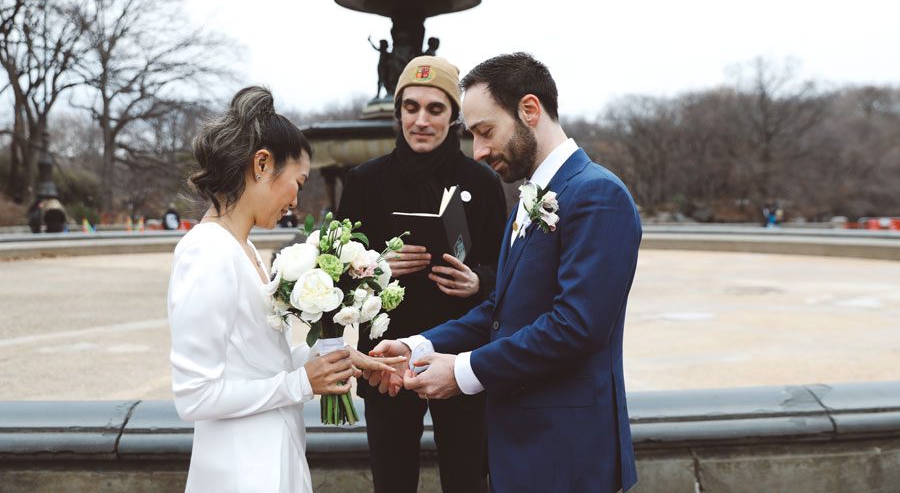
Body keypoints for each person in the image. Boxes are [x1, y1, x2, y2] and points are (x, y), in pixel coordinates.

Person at [368, 53, 642, 492]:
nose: (477, 151)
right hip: (518, 449)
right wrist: (417, 345)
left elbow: (576, 327)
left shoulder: (598, 194)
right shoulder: (528, 200)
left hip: (567, 455)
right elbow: (500, 310)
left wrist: (462, 371)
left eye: (485, 131)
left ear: (529, 111)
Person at [167, 86, 404, 493]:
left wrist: (333, 355)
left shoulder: (245, 247)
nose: (296, 199)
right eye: (298, 180)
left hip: (273, 451)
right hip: (240, 467)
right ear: (262, 164)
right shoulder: (206, 251)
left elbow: (259, 361)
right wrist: (301, 384)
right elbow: (195, 396)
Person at [338, 56, 507, 493]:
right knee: (391, 482)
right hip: (386, 360)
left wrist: (479, 281)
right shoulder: (363, 181)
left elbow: (506, 271)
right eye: (410, 107)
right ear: (398, 112)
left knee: (468, 479)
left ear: (453, 117)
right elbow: (335, 275)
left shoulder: (484, 182)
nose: (421, 120)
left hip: (462, 358)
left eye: (435, 109)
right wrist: (375, 267)